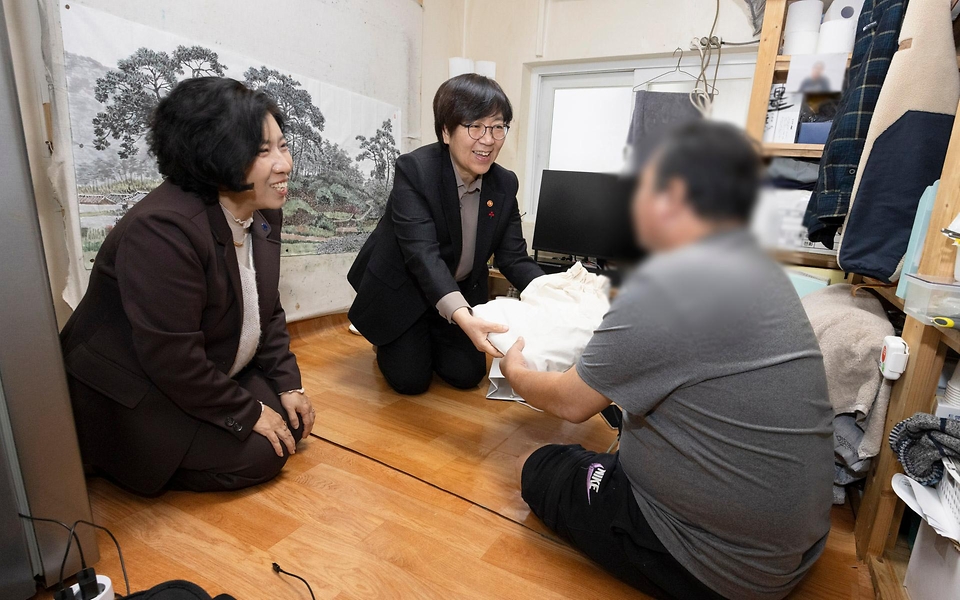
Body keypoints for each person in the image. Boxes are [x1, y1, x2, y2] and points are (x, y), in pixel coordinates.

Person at [501, 121, 834, 600]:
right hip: (793, 547)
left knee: (541, 464)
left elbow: (570, 403)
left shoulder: (665, 289)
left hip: (724, 566)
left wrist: (515, 372)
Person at [60, 77, 315, 495]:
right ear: (215, 155)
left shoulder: (262, 210)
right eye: (262, 151)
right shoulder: (163, 230)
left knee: (291, 421)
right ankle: (116, 456)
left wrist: (289, 383)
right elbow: (171, 357)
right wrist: (248, 413)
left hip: (205, 365)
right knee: (263, 454)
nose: (284, 164)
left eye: (282, 146)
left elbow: (266, 309)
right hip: (137, 388)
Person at [347, 74, 544, 395]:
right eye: (475, 126)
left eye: (497, 127)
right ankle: (387, 340)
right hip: (405, 289)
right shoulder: (415, 170)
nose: (488, 139)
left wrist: (554, 293)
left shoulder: (504, 183)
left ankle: (435, 332)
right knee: (411, 381)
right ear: (446, 131)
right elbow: (422, 255)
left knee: (466, 376)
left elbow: (514, 258)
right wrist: (464, 319)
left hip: (458, 293)